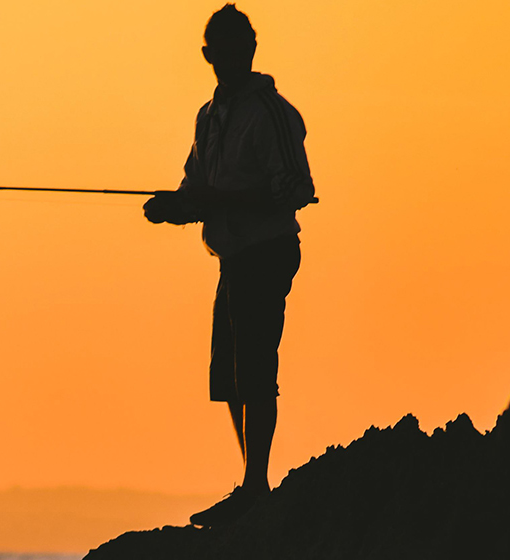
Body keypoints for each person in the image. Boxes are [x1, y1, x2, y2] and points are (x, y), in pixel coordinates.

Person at [143, 3, 314, 528]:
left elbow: (299, 190)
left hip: (267, 252)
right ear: (208, 55)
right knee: (231, 377)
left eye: (240, 47)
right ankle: (251, 484)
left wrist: (219, 201)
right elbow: (197, 186)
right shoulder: (208, 117)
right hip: (232, 257)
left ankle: (255, 487)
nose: (231, 58)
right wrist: (175, 208)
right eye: (222, 50)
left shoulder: (273, 113)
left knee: (256, 369)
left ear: (252, 50)